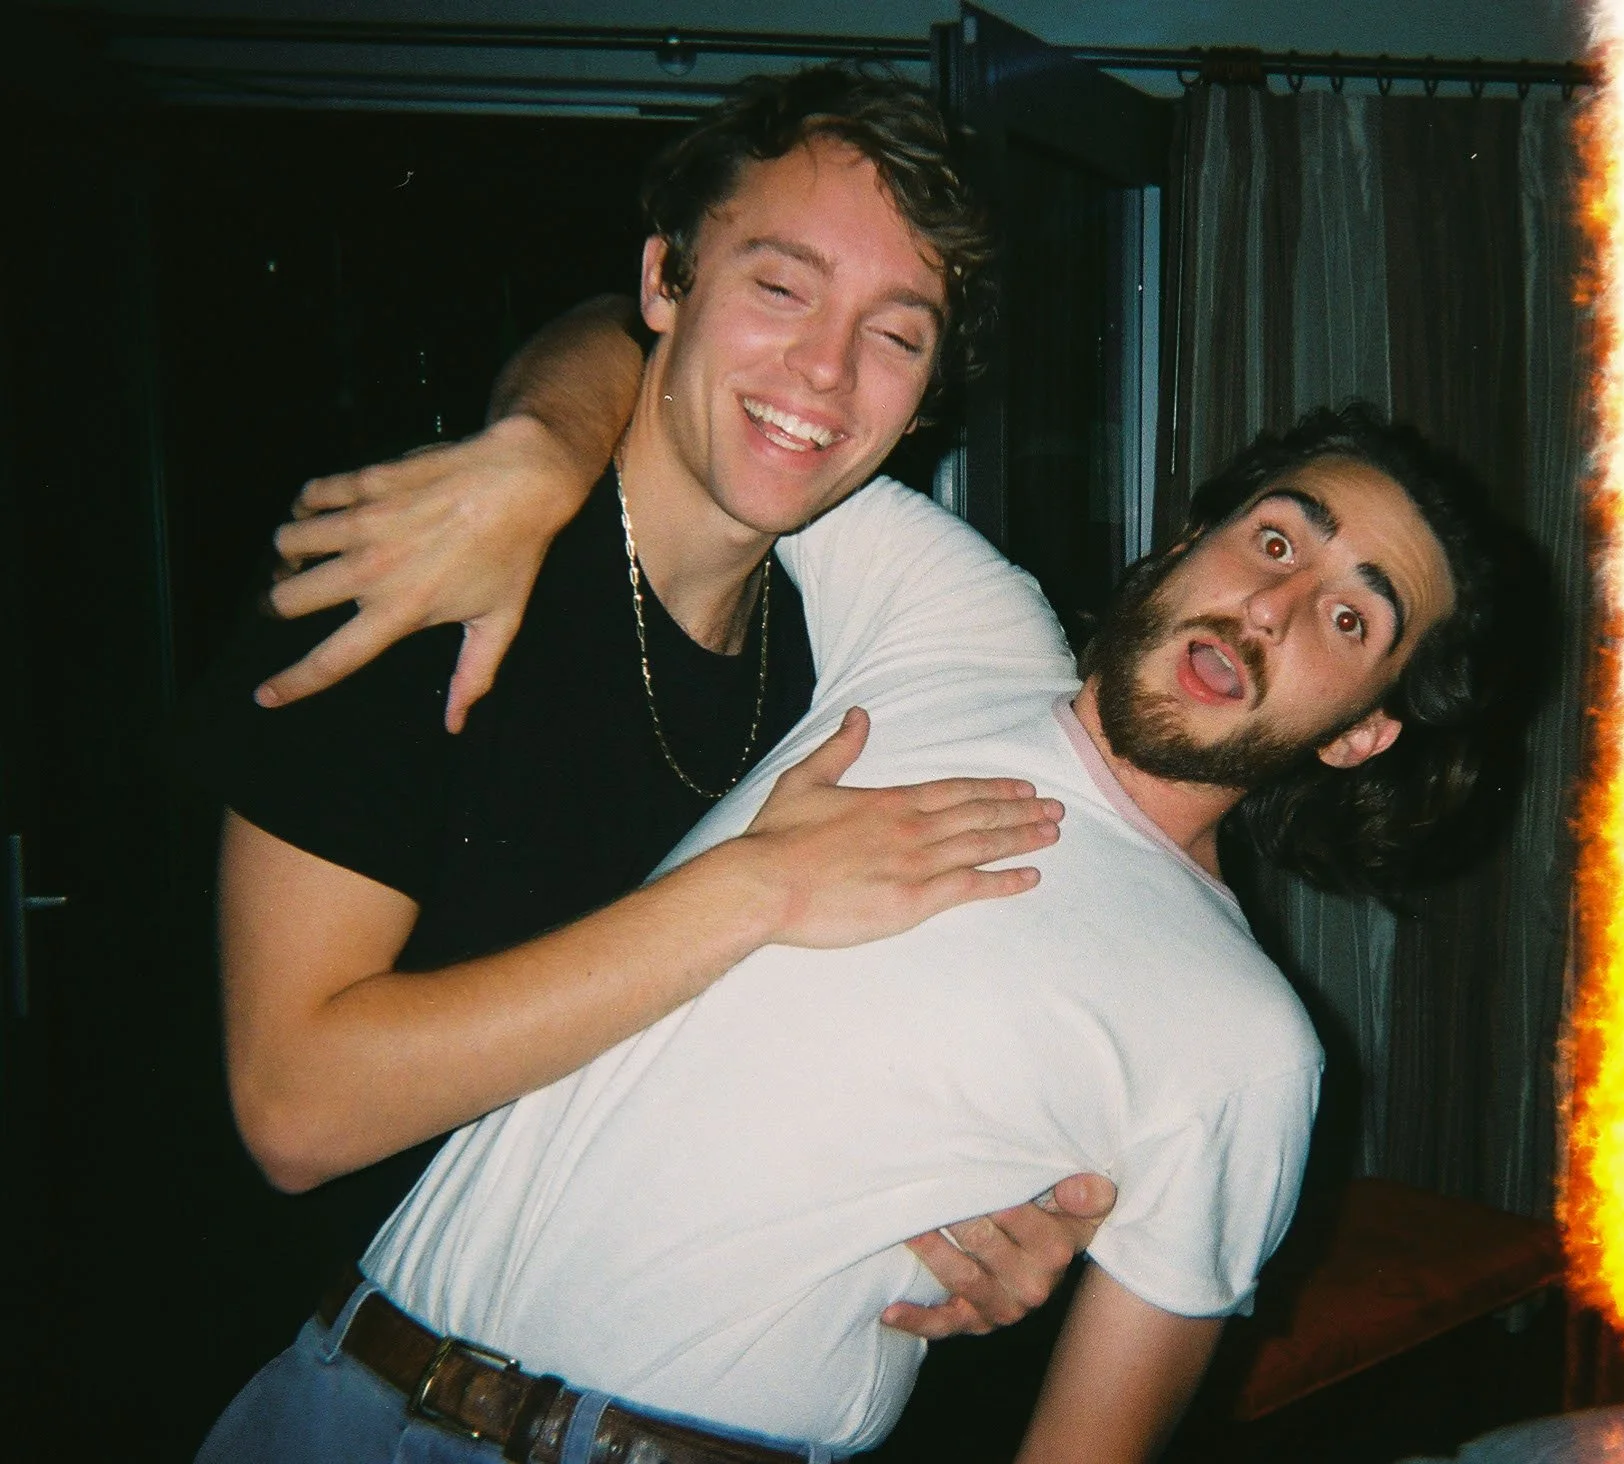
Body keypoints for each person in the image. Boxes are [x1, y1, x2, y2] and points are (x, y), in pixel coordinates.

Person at [201, 400, 1501, 1463]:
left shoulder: (1249, 1044)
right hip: (328, 1389)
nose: (1272, 609)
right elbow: (687, 378)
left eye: (1349, 617)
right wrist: (539, 442)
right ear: (1191, 541)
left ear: (1362, 730)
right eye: (1278, 541)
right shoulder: (959, 621)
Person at [180, 65, 1118, 1376]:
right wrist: (756, 889)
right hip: (389, 1397)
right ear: (666, 284)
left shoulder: (839, 661)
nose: (827, 370)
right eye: (781, 287)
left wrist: (962, 1216)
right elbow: (294, 1107)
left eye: (897, 333)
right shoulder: (430, 569)